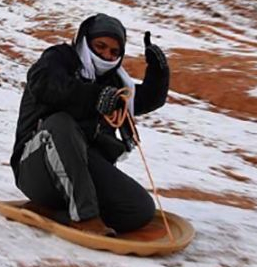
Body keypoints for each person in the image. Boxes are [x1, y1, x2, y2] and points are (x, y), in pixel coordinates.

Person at [9, 14, 170, 233]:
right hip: (37, 169)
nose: (106, 55)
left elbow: (137, 100)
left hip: (82, 170)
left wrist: (158, 73)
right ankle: (85, 217)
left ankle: (54, 213)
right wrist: (96, 97)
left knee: (139, 209)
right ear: (85, 40)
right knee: (60, 124)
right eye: (100, 46)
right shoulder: (59, 59)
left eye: (114, 52)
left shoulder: (114, 82)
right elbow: (46, 85)